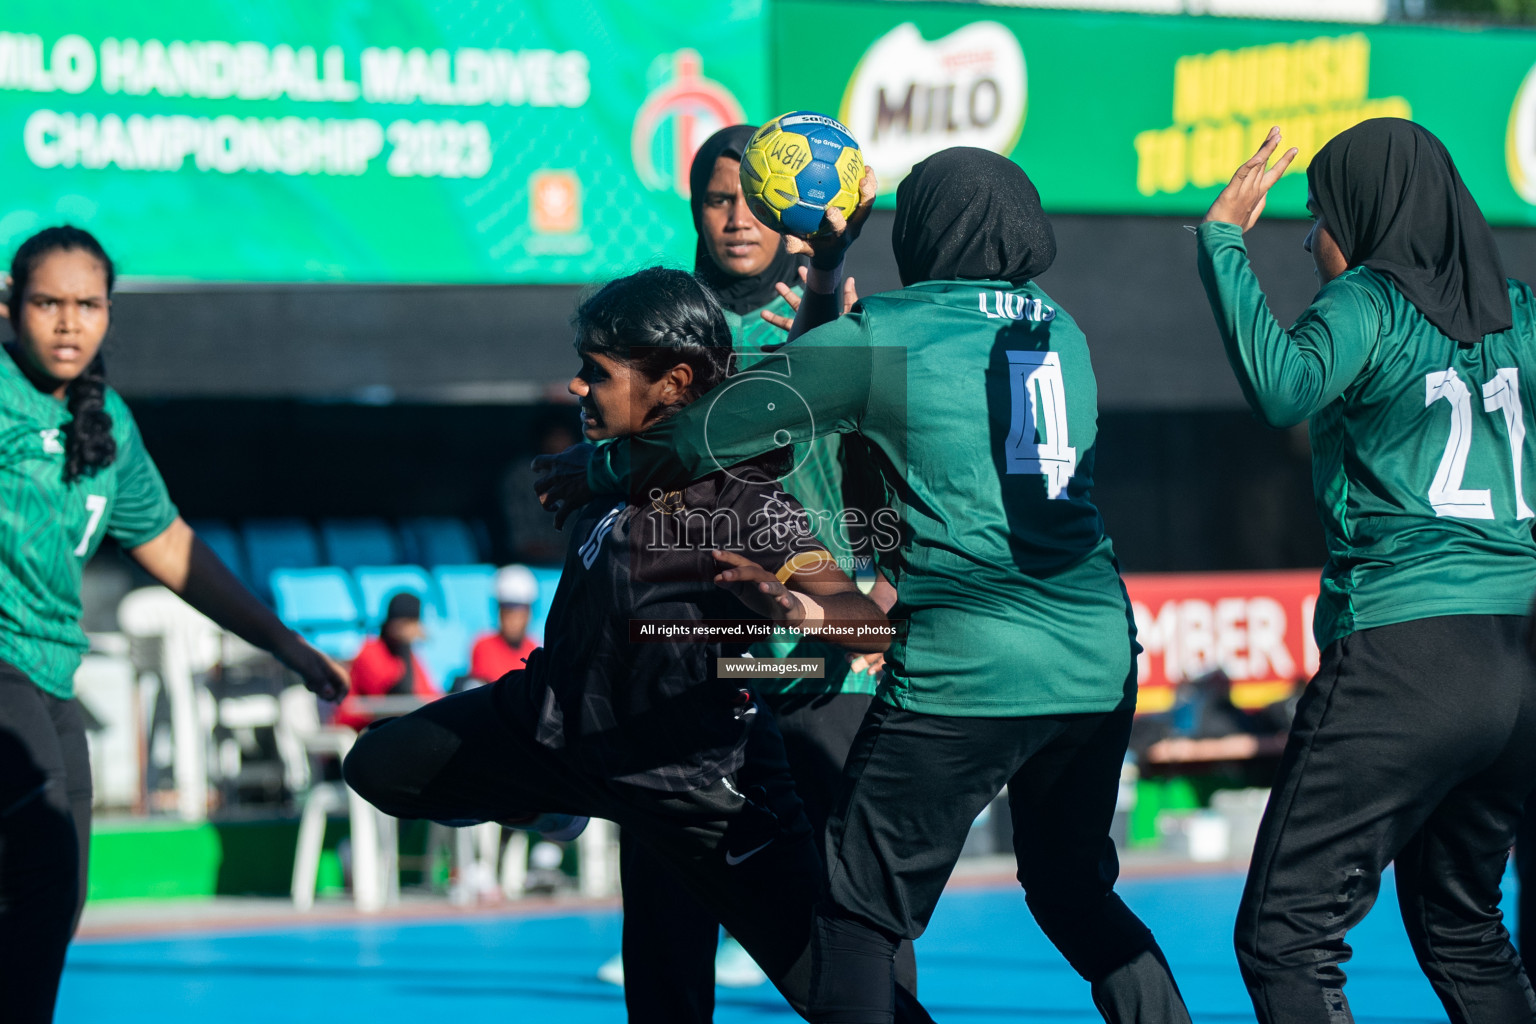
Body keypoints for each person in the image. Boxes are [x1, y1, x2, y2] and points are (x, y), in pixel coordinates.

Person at [536, 147, 1190, 1024]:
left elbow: (726, 429)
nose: (736, 217)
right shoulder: (1057, 331)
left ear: (918, 230)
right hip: (1095, 651)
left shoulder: (885, 335)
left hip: (949, 657)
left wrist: (600, 461)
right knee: (1072, 890)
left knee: (852, 916)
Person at [342, 267, 932, 1023]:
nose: (577, 387)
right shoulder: (611, 468)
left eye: (597, 371)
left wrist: (788, 602)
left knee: (851, 1004)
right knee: (381, 766)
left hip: (695, 781)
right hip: (551, 728)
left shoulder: (743, 501)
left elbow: (863, 625)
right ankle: (553, 809)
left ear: (674, 382)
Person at [1195, 118, 1536, 1024]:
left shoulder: (1372, 304)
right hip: (1523, 657)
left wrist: (1224, 243)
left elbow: (1281, 386)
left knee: (1284, 936)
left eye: (1321, 216)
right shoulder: (1521, 313)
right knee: (1464, 928)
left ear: (1368, 213)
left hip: (1407, 653)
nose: (1313, 239)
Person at [0, 225, 347, 1023]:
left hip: (52, 671)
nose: (66, 322)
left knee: (59, 892)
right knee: (42, 863)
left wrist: (284, 642)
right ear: (12, 306)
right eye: (47, 302)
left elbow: (172, 549)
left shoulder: (108, 425)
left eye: (86, 304)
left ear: (109, 314)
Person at [611, 124, 905, 1021]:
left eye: (754, 198)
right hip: (692, 654)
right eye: (714, 198)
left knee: (854, 911)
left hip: (811, 658)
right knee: (667, 915)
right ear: (693, 210)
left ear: (791, 210)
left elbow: (862, 450)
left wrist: (885, 586)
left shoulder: (846, 321)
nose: (734, 216)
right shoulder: (652, 327)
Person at [334, 591, 435, 730]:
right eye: (407, 624)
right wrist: (405, 644)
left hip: (391, 728)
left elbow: (427, 694)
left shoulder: (408, 656)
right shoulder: (370, 651)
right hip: (360, 729)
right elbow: (394, 697)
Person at [466, 565, 539, 684]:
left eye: (520, 614)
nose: (514, 621)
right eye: (508, 613)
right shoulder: (483, 646)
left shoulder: (533, 648)